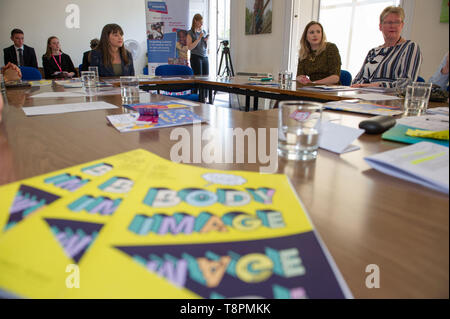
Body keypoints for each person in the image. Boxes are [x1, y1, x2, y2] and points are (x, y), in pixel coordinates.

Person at [352, 6, 422, 88]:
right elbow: (356, 80)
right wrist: (360, 86)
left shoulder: (410, 47)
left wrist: (377, 86)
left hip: (389, 98)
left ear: (402, 25)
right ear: (380, 26)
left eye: (397, 22)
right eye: (388, 22)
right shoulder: (373, 51)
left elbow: (406, 84)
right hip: (363, 95)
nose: (392, 26)